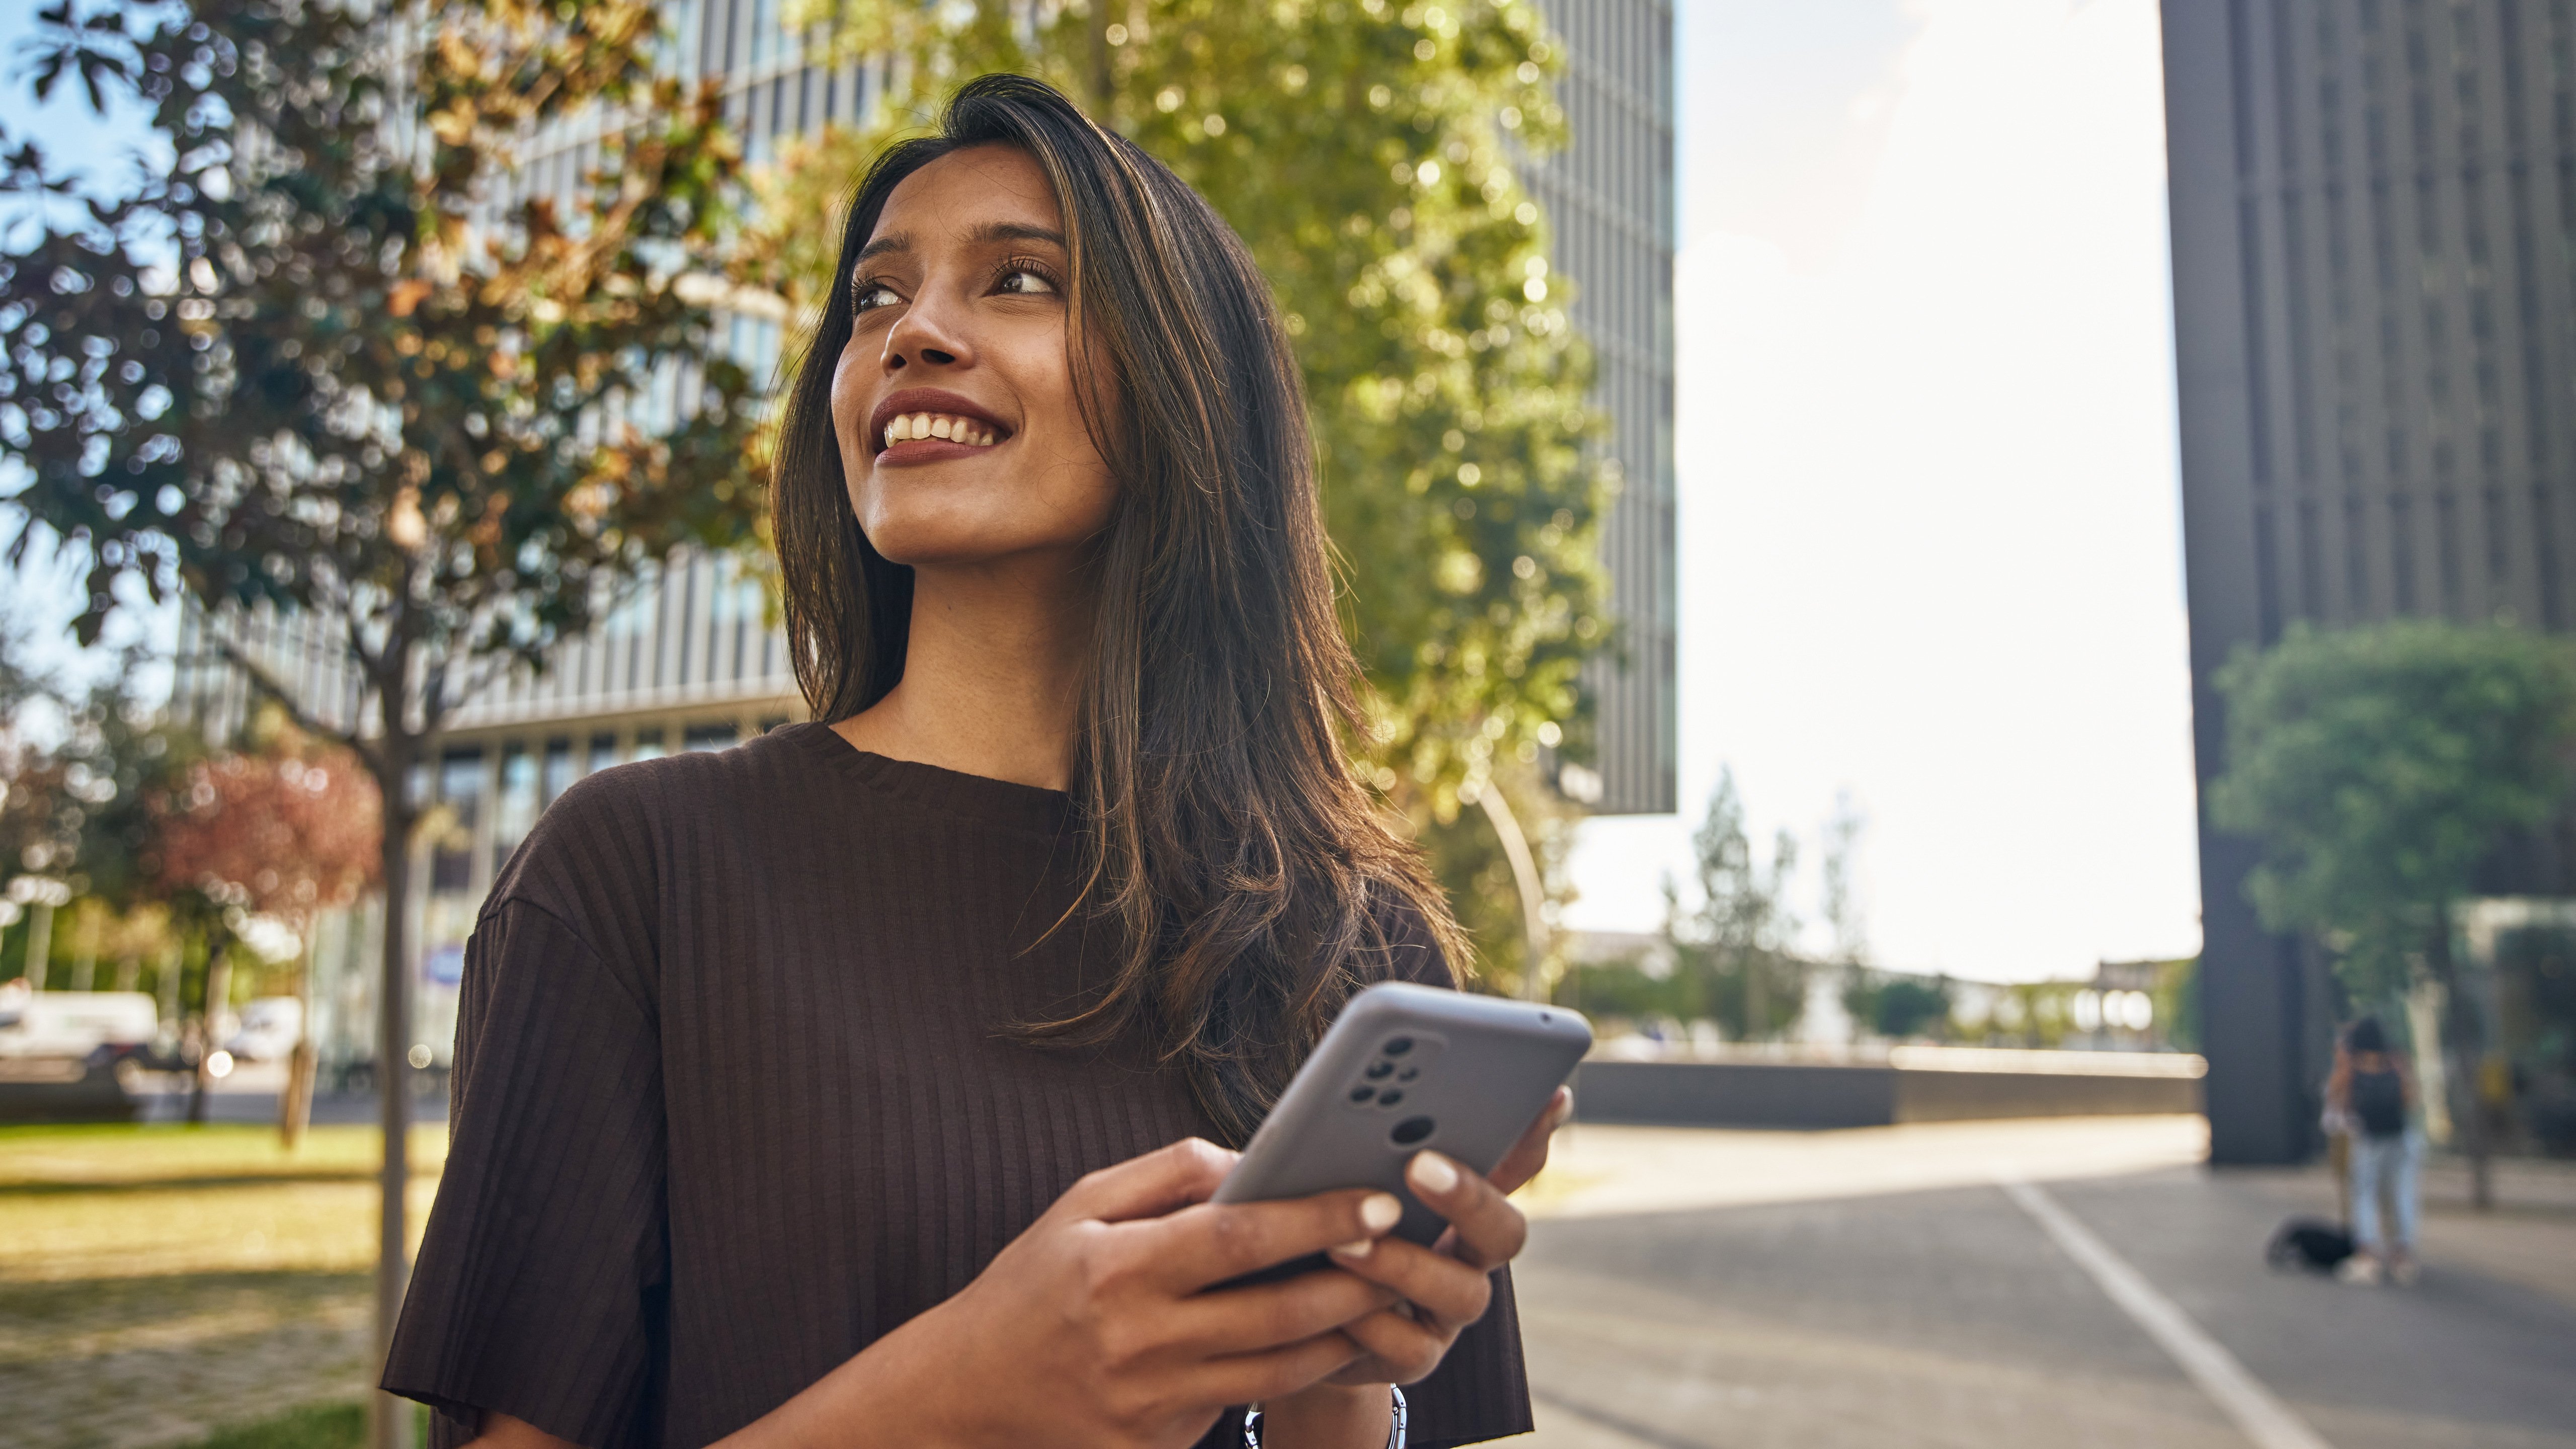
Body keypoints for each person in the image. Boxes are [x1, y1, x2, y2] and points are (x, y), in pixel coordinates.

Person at [381, 74, 1561, 1449]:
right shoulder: (635, 873)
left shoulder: (1366, 948)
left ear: (1192, 387)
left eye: (1017, 282)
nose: (913, 334)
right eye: (874, 298)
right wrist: (965, 1392)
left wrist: (1328, 1364)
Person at [2323, 1015, 2421, 1285]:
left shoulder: (2353, 1065)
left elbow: (2335, 1094)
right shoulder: (2396, 1061)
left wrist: (2343, 1062)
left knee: (2364, 1193)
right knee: (2403, 1193)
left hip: (2369, 1138)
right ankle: (2403, 1257)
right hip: (2401, 1135)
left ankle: (2368, 1256)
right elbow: (2410, 1099)